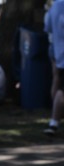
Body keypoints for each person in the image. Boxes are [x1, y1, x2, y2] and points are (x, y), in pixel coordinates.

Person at [44, 0, 64, 136]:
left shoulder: (55, 6)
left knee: (57, 82)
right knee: (61, 89)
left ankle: (55, 116)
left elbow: (48, 28)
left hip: (57, 50)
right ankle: (54, 121)